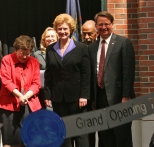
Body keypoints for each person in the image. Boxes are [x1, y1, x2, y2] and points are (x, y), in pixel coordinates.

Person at [88, 11, 135, 147]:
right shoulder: (91, 48)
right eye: (100, 24)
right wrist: (93, 99)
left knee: (122, 136)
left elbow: (128, 71)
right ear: (96, 26)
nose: (104, 27)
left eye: (107, 24)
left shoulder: (123, 43)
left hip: (119, 98)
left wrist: (126, 96)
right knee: (104, 137)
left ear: (112, 25)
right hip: (100, 99)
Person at [44, 13, 90, 147]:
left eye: (65, 29)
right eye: (59, 29)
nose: (62, 31)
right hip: (58, 98)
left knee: (80, 132)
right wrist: (48, 94)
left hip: (77, 99)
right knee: (63, 132)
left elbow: (86, 74)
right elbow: (48, 74)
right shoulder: (50, 49)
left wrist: (84, 95)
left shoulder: (81, 48)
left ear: (71, 30)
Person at [0, 35, 42, 147]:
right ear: (16, 49)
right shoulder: (6, 60)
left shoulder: (34, 62)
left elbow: (36, 84)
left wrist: (26, 96)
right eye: (22, 53)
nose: (25, 56)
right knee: (11, 141)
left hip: (29, 104)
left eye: (28, 53)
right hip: (9, 105)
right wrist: (19, 96)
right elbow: (6, 81)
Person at [81, 20, 98, 147]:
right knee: (87, 133)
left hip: (101, 96)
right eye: (84, 34)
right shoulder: (80, 49)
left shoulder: (101, 47)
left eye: (90, 34)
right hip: (85, 98)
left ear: (96, 33)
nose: (86, 37)